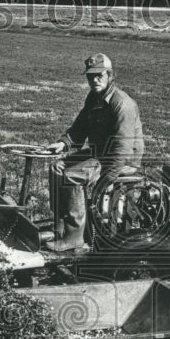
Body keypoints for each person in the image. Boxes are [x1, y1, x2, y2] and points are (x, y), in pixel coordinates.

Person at [43, 53, 144, 251]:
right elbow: (79, 128)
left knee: (71, 175)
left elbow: (122, 150)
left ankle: (74, 237)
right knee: (57, 168)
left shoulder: (122, 104)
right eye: (90, 76)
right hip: (101, 153)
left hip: (122, 160)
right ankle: (60, 225)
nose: (94, 80)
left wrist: (103, 183)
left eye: (99, 75)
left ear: (110, 75)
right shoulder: (94, 97)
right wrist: (64, 143)